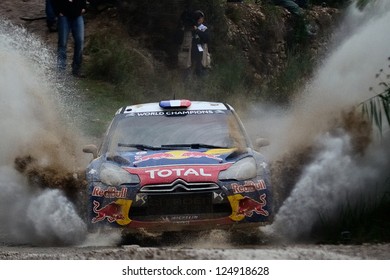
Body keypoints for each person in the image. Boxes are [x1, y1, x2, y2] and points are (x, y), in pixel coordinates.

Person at [52, 0, 87, 78]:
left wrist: (84, 7)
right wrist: (57, 12)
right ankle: (61, 70)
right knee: (62, 43)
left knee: (80, 41)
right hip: (64, 15)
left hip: (78, 15)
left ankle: (76, 69)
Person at [189, 10, 210, 77]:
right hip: (191, 48)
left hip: (200, 47)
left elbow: (206, 38)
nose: (202, 19)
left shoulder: (203, 28)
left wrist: (197, 31)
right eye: (200, 18)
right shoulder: (190, 27)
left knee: (200, 65)